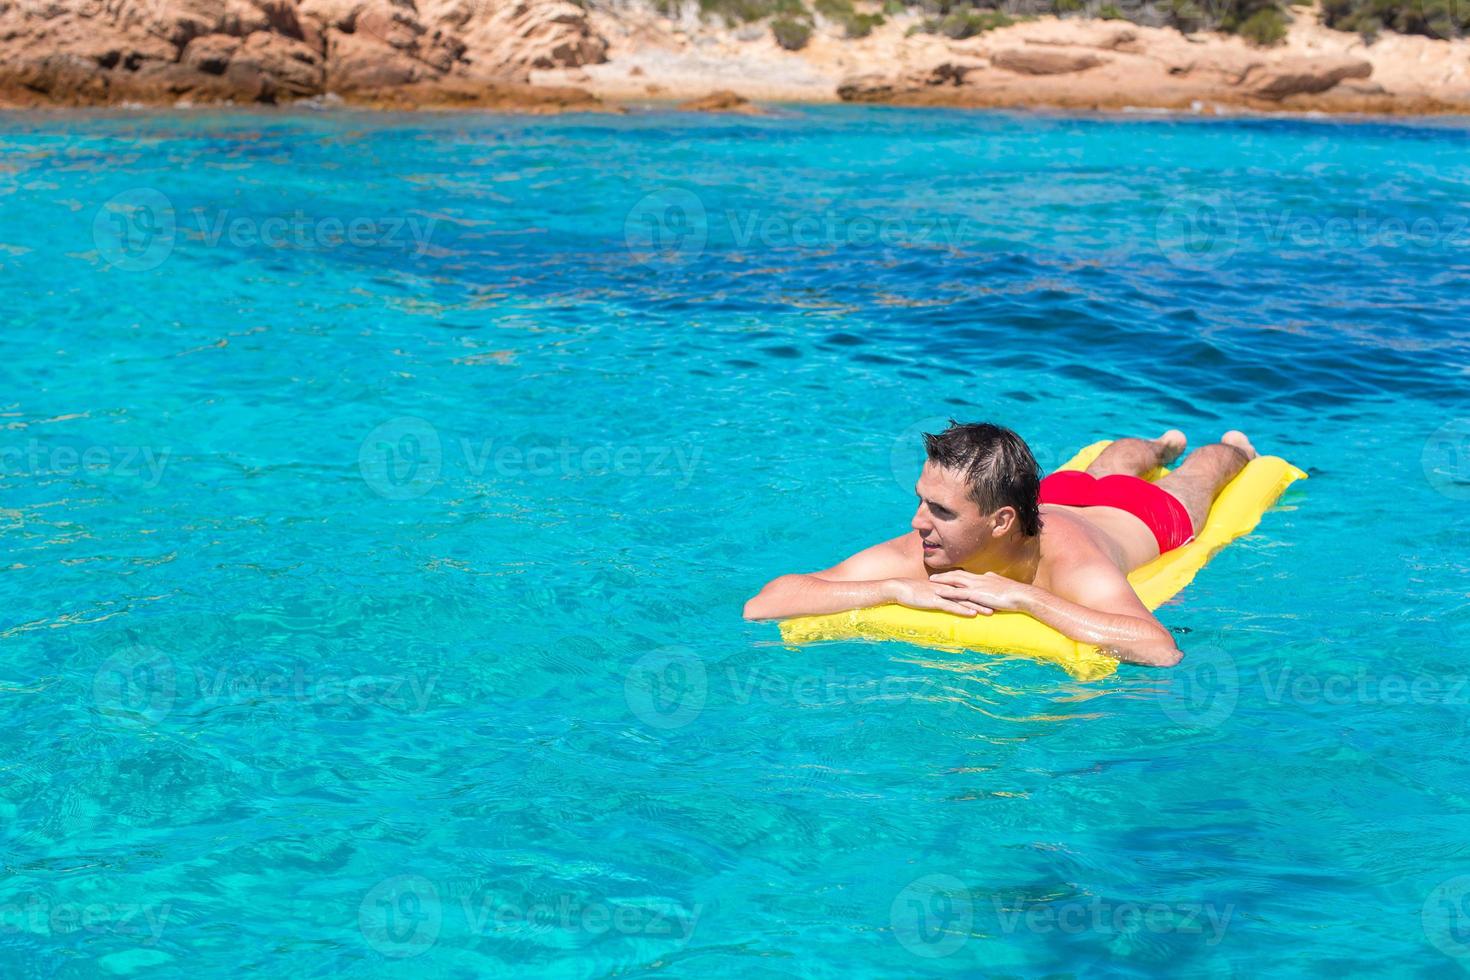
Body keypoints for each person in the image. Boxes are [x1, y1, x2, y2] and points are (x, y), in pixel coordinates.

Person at [743, 422, 1259, 667]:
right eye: (924, 500)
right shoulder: (921, 552)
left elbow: (1159, 649)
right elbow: (764, 604)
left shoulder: (1073, 565)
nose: (918, 521)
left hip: (1138, 515)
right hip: (1061, 494)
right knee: (1116, 455)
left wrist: (1027, 598)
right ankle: (1157, 446)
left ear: (1000, 521)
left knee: (1203, 472)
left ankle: (1226, 450)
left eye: (941, 511)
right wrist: (894, 590)